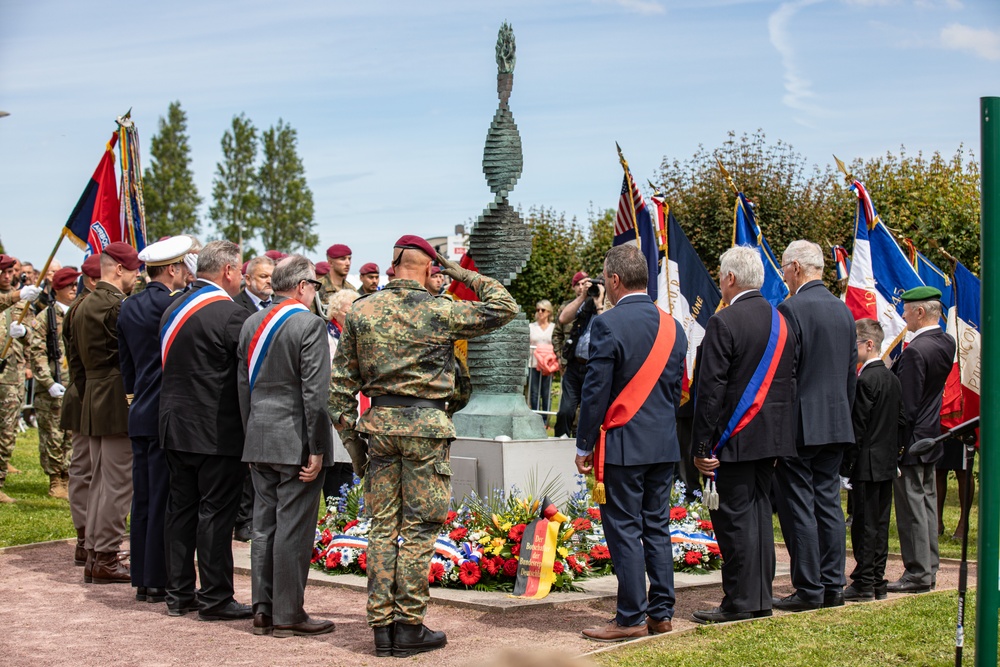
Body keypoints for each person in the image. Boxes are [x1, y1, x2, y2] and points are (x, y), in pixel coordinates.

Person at [329, 235, 517, 657]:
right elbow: (505, 306)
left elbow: (339, 393)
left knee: (382, 528)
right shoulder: (441, 310)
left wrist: (357, 452)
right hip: (426, 430)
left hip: (378, 430)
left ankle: (381, 628)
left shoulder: (361, 311)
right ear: (431, 268)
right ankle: (408, 626)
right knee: (418, 529)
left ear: (394, 265)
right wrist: (460, 272)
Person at [574, 244, 687, 641]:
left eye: (605, 278)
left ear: (615, 280)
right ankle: (661, 612)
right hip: (663, 444)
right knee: (656, 526)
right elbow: (675, 391)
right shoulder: (674, 326)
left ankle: (629, 618)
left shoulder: (607, 324)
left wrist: (583, 444)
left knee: (623, 529)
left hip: (622, 444)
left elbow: (595, 392)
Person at [691, 246, 798, 623]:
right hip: (771, 439)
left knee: (734, 521)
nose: (720, 283)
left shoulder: (725, 321)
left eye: (720, 277)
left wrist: (702, 445)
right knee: (758, 518)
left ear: (731, 278)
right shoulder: (781, 319)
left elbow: (711, 390)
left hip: (732, 439)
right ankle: (760, 598)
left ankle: (739, 602)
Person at [237, 255, 336, 638]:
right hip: (296, 441)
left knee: (263, 528)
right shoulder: (309, 324)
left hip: (259, 437)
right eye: (315, 286)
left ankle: (263, 609)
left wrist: (251, 436)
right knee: (293, 529)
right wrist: (317, 448)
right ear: (301, 287)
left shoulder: (250, 323)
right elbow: (315, 392)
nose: (315, 293)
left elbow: (243, 387)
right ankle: (288, 613)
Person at [159, 240, 253, 621]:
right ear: (227, 271)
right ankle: (215, 597)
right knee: (216, 514)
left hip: (174, 426)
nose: (243, 277)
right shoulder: (230, 314)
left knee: (180, 511)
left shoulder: (172, 307)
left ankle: (179, 593)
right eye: (241, 270)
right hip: (215, 431)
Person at [772, 240, 857, 611]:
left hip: (800, 423)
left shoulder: (791, 308)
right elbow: (850, 375)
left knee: (800, 506)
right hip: (836, 420)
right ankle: (833, 584)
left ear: (795, 268)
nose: (784, 275)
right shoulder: (843, 311)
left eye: (784, 269)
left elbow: (785, 374)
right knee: (828, 504)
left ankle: (809, 588)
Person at [118, 236, 192, 603]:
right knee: (165, 499)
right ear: (173, 268)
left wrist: (135, 400)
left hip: (140, 411)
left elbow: (127, 366)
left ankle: (142, 578)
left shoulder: (128, 306)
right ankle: (159, 578)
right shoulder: (174, 306)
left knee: (143, 498)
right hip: (167, 413)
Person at [73, 242, 140, 583]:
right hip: (116, 397)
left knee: (100, 481)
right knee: (116, 484)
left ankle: (97, 550)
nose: (136, 277)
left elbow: (76, 366)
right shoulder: (117, 307)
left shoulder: (81, 306)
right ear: (118, 269)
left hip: (93, 397)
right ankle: (107, 557)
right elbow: (128, 357)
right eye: (132, 271)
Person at [889, 286, 956, 594]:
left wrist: (896, 444)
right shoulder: (945, 341)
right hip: (932, 434)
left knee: (912, 508)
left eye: (906, 309)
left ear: (919, 312)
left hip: (913, 439)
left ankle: (917, 572)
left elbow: (907, 405)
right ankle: (928, 566)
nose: (902, 315)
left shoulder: (916, 350)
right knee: (926, 504)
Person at [842, 318, 903, 601]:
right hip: (886, 462)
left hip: (866, 464)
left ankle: (864, 582)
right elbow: (901, 422)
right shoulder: (892, 378)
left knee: (864, 524)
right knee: (879, 524)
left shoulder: (866, 379)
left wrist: (846, 468)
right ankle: (876, 578)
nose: (851, 350)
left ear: (869, 344)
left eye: (855, 344)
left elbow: (858, 428)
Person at [232, 254, 277, 542]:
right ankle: (243, 520)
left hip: (269, 395)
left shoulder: (275, 308)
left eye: (271, 277)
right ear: (247, 279)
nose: (268, 282)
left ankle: (260, 518)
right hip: (243, 393)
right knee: (245, 464)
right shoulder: (237, 307)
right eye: (262, 277)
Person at [61, 253, 100, 558]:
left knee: (92, 469)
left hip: (90, 393)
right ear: (90, 280)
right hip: (85, 393)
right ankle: (84, 537)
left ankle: (89, 538)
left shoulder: (81, 306)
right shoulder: (82, 309)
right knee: (84, 468)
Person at [28, 266, 78, 499]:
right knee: (53, 435)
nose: (73, 289)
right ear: (57, 288)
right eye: (69, 285)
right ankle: (55, 480)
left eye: (75, 285)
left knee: (70, 433)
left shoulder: (76, 313)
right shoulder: (45, 317)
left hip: (72, 383)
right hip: (52, 387)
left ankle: (68, 476)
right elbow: (36, 352)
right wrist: (47, 382)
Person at [0, 253, 43, 503]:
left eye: (9, 272)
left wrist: (25, 330)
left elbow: (34, 335)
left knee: (7, 430)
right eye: (2, 272)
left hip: (12, 374)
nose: (7, 277)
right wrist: (19, 294)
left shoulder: (22, 302)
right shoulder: (15, 297)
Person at [553, 271, 605, 437]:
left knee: (588, 415)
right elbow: (563, 319)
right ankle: (557, 446)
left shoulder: (611, 305)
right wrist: (583, 297)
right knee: (565, 412)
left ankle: (583, 449)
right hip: (575, 365)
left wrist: (599, 304)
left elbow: (608, 330)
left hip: (594, 368)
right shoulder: (584, 302)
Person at [323, 288, 360, 503]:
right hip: (335, 407)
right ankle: (333, 509)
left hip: (354, 405)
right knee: (335, 465)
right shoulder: (328, 336)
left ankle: (347, 512)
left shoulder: (354, 337)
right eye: (349, 312)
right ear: (336, 312)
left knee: (350, 463)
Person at [527, 299, 554, 413]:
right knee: (534, 392)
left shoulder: (553, 327)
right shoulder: (531, 327)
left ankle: (545, 419)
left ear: (548, 312)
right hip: (533, 363)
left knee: (546, 392)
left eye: (543, 310)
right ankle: (535, 416)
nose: (540, 312)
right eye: (538, 310)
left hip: (548, 365)